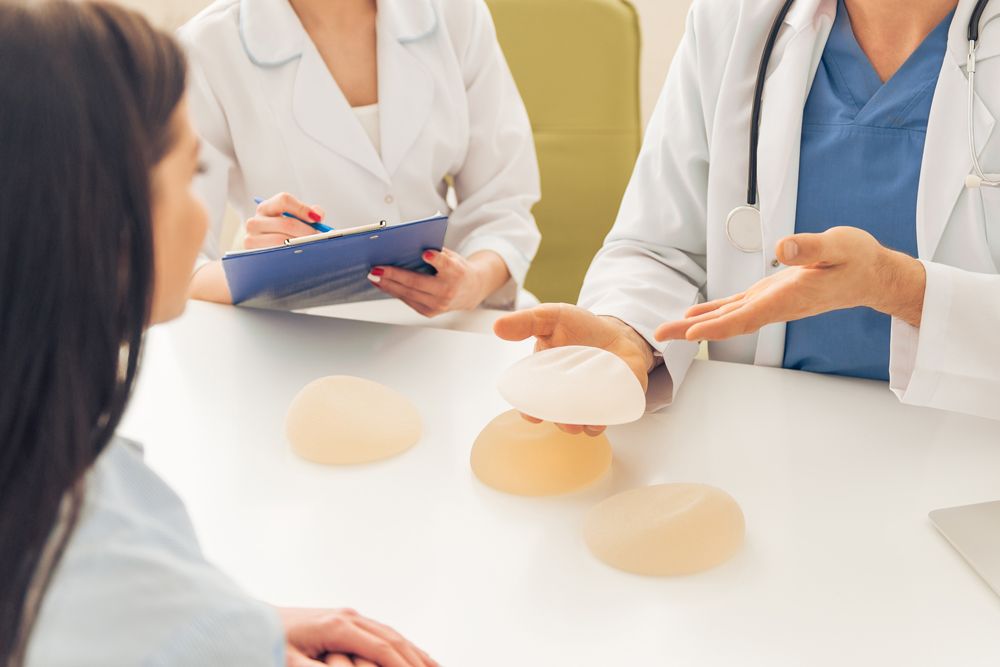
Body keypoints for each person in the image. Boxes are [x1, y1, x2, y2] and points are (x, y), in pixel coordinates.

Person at [0, 3, 436, 665]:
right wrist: (226, 635)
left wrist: (239, 622)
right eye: (190, 175)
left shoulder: (43, 459)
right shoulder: (112, 565)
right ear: (106, 222)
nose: (202, 207)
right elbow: (137, 608)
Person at [496, 0, 1000, 429]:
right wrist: (629, 331)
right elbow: (660, 247)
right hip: (764, 437)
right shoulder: (734, 17)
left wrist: (899, 287)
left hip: (968, 454)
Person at [179, 0, 541, 317]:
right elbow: (176, 267)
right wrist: (263, 271)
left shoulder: (456, 13)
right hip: (295, 329)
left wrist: (472, 282)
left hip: (454, 322)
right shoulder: (205, 48)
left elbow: (503, 204)